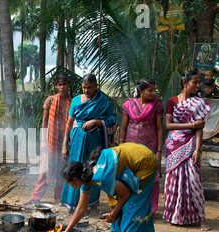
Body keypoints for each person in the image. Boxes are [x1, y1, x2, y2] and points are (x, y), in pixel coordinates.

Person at [57, 143, 157, 232]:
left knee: (132, 206)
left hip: (145, 161)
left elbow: (125, 193)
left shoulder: (100, 177)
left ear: (75, 180)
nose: (70, 186)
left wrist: (113, 215)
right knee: (117, 203)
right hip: (132, 156)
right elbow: (81, 209)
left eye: (69, 184)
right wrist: (67, 231)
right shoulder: (86, 176)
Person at [59, 73, 116, 216]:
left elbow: (112, 119)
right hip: (77, 142)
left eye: (89, 87)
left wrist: (97, 122)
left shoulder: (102, 101)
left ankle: (93, 205)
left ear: (96, 86)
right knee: (75, 170)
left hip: (94, 143)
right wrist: (65, 145)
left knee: (93, 170)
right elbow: (69, 123)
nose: (86, 90)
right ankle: (72, 203)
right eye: (84, 87)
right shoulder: (76, 100)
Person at [164, 69, 211, 231]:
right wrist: (191, 125)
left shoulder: (199, 103)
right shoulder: (172, 101)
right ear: (185, 83)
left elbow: (200, 129)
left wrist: (198, 149)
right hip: (174, 145)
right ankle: (174, 215)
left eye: (199, 82)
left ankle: (200, 217)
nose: (198, 85)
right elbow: (168, 125)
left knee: (193, 180)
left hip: (191, 144)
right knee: (174, 181)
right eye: (195, 82)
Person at [119, 78, 164, 215]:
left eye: (153, 90)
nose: (153, 93)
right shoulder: (128, 105)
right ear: (140, 91)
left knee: (150, 176)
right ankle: (131, 206)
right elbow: (123, 127)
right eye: (149, 90)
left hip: (150, 145)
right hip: (131, 145)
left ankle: (150, 209)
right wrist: (121, 146)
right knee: (131, 175)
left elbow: (160, 129)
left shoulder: (156, 105)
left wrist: (159, 150)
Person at [26, 73, 72, 204]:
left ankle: (59, 196)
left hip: (64, 141)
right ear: (56, 86)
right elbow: (45, 121)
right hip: (50, 139)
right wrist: (43, 139)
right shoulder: (50, 100)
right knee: (45, 168)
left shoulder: (72, 102)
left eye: (64, 84)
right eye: (59, 84)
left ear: (69, 85)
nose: (62, 87)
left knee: (63, 169)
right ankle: (36, 197)